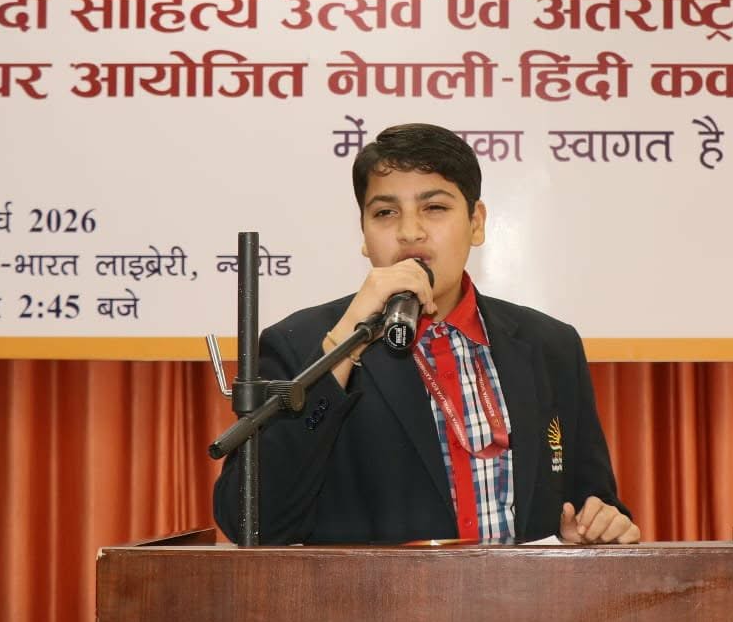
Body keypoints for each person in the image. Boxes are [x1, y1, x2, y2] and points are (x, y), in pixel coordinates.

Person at [214, 123, 639, 546]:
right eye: (385, 213)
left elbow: (592, 501)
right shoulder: (301, 344)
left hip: (523, 592)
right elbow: (250, 522)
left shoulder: (550, 346)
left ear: (476, 223)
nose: (410, 232)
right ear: (363, 233)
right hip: (373, 594)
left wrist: (598, 525)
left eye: (434, 207)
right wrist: (344, 342)